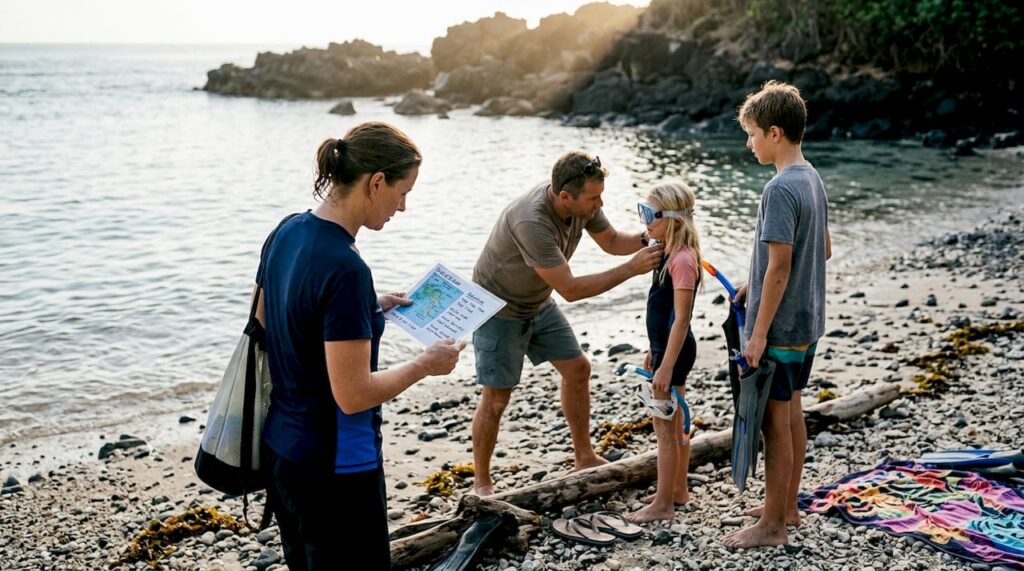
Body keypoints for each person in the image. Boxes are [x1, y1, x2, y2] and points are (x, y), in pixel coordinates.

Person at [257, 122, 466, 570]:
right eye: (402, 192)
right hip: (337, 465)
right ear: (375, 183)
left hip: (282, 452)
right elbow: (352, 396)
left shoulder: (287, 231)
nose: (403, 207)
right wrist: (425, 365)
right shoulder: (346, 269)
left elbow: (268, 321)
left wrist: (366, 310)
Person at [470, 151, 664, 496]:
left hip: (538, 301)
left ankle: (584, 456)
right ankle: (482, 483)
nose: (599, 204)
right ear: (564, 197)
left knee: (578, 369)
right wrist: (632, 268)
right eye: (593, 198)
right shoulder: (531, 220)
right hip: (498, 310)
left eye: (599, 195)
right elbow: (571, 290)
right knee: (497, 398)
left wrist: (656, 237)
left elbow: (614, 242)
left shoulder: (582, 202)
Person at [722, 81, 832, 549]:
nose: (748, 143)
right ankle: (785, 506)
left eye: (750, 134)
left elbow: (782, 266)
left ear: (773, 132)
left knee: (773, 421)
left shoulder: (779, 188)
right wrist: (756, 278)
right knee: (793, 413)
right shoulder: (811, 177)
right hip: (808, 322)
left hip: (782, 328)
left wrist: (757, 333)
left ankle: (772, 527)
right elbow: (821, 250)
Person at [627, 182, 703, 523]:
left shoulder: (683, 260)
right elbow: (664, 313)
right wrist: (654, 351)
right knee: (675, 427)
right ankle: (677, 491)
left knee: (665, 431)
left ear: (672, 218)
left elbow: (682, 319)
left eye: (648, 214)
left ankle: (662, 505)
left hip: (675, 354)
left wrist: (666, 366)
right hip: (666, 351)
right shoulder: (666, 253)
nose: (644, 221)